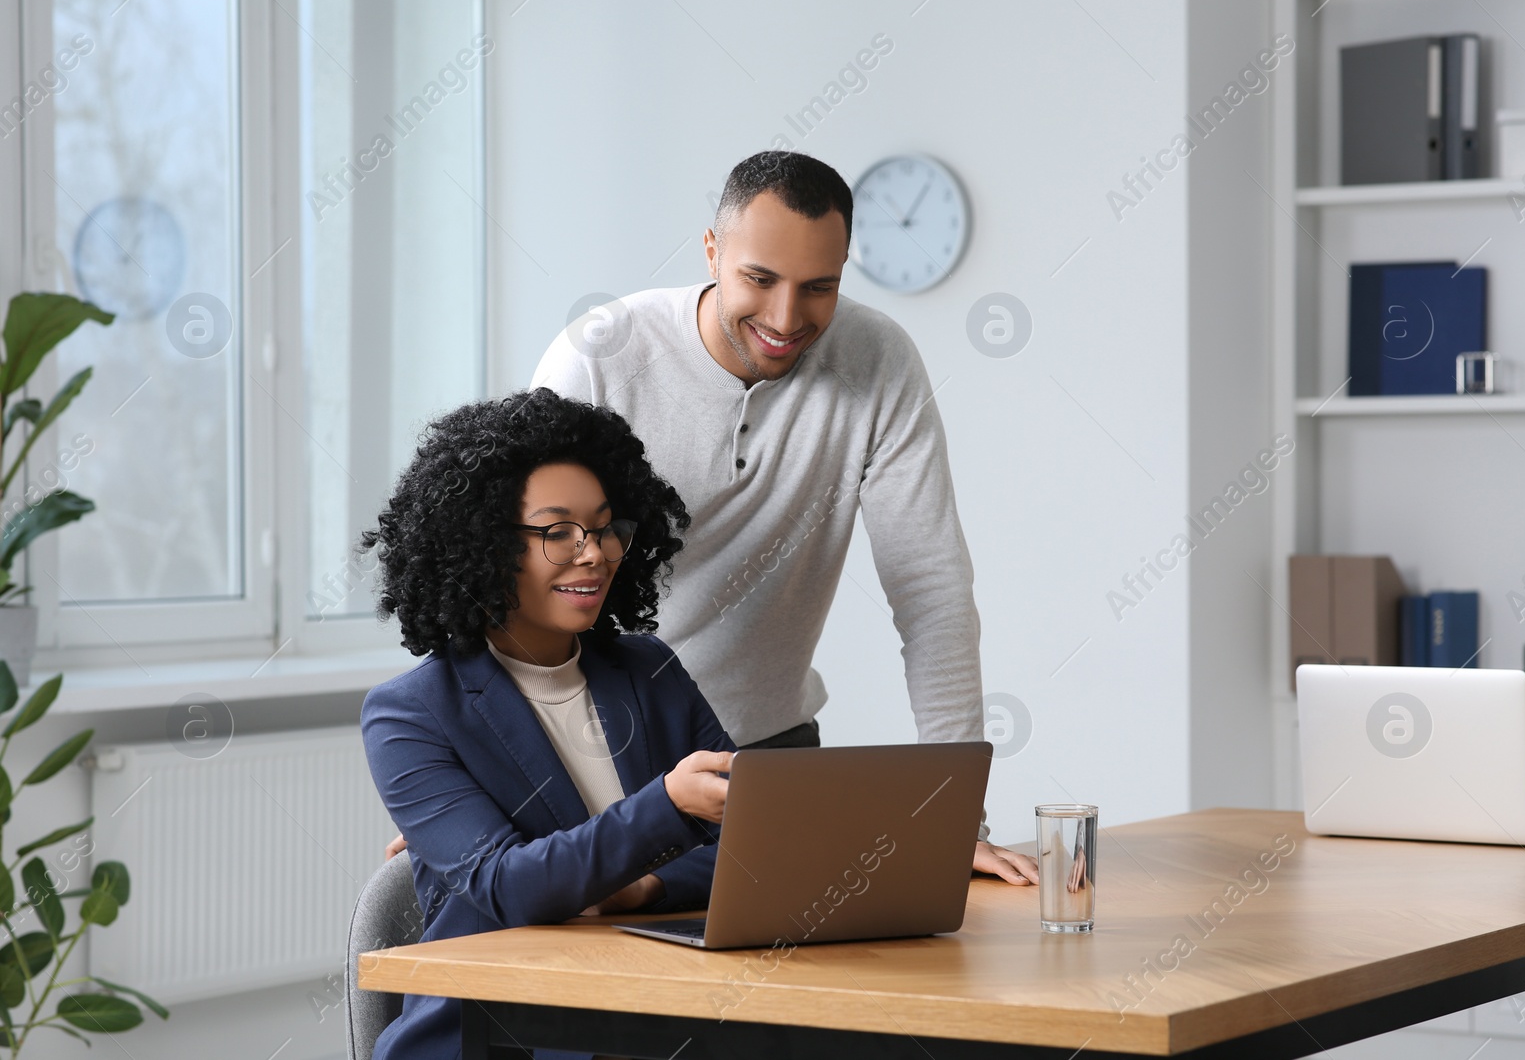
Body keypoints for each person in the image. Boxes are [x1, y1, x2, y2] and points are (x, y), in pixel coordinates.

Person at [531, 150, 1037, 885]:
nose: (785, 317)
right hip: (593, 761)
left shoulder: (878, 361)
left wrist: (959, 817)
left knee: (787, 996)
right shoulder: (602, 357)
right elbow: (517, 573)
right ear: (712, 250)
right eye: (759, 280)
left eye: (818, 288)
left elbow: (931, 592)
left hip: (764, 759)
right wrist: (474, 771)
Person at [360, 388, 736, 1060]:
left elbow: (751, 847)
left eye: (605, 527)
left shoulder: (646, 667)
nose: (593, 553)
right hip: (496, 1038)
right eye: (558, 531)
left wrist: (648, 885)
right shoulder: (410, 714)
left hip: (645, 1016)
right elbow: (511, 885)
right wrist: (670, 806)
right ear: (483, 543)